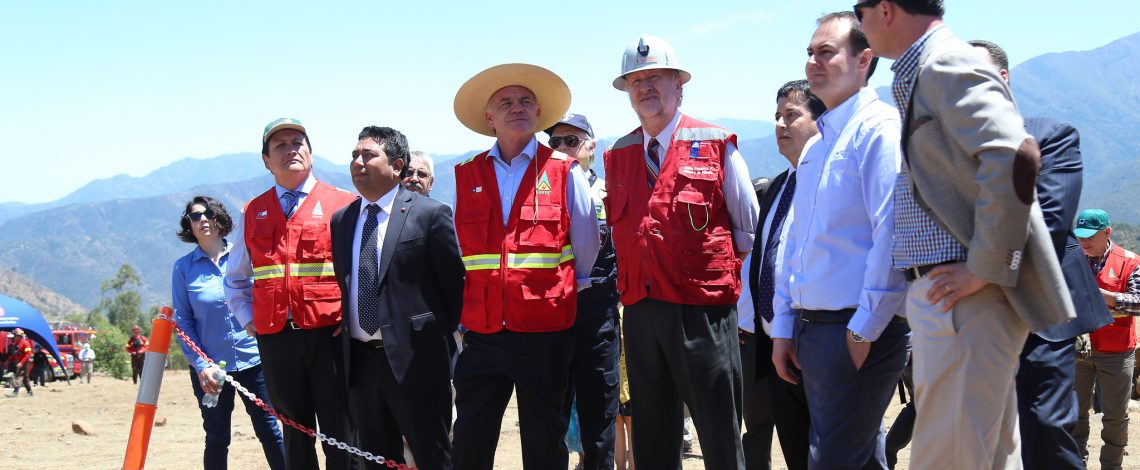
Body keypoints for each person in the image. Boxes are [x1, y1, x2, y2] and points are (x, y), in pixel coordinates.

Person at [857, 1, 1077, 467]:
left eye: (860, 11)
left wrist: (985, 266)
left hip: (961, 301)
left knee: (948, 458)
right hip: (958, 301)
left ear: (885, 9)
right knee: (988, 457)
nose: (859, 25)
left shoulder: (945, 62)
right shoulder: (926, 67)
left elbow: (1015, 153)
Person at [604, 34, 759, 469]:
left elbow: (747, 228)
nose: (645, 87)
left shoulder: (714, 143)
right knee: (652, 437)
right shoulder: (619, 153)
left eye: (656, 77)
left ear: (679, 85)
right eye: (636, 81)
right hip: (641, 312)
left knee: (718, 433)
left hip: (702, 313)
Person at [770, 12, 909, 469]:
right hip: (815, 331)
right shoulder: (818, 144)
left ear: (864, 59)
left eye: (826, 52)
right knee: (857, 458)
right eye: (810, 53)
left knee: (832, 459)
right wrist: (787, 326)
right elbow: (798, 245)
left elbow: (891, 235)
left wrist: (862, 329)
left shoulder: (879, 129)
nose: (814, 61)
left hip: (857, 328)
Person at [969, 39, 1114, 469]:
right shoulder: (947, 150)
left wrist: (980, 271)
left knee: (1044, 429)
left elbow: (1050, 223)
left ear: (1003, 77)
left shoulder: (1051, 135)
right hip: (974, 311)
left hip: (1042, 308)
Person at [449, 62, 600, 469]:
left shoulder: (564, 171)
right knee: (468, 442)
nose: (517, 108)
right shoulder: (467, 175)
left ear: (539, 114)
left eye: (526, 102)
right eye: (506, 102)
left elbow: (586, 248)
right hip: (481, 335)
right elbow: (463, 253)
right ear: (489, 117)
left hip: (545, 334)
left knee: (544, 444)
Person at [224, 117, 357, 469]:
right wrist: (248, 319)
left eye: (298, 142)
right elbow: (235, 277)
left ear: (311, 153)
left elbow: (363, 272)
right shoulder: (253, 211)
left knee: (340, 432)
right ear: (266, 160)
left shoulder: (344, 203)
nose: (291, 149)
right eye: (280, 145)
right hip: (277, 341)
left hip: (330, 337)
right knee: (294, 435)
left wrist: (355, 318)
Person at [330, 126, 464, 469]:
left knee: (432, 454)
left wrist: (429, 335)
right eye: (354, 156)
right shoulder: (343, 220)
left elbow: (453, 288)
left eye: (369, 155)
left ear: (397, 165)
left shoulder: (429, 214)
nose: (358, 162)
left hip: (416, 359)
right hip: (361, 364)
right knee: (375, 457)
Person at [172, 195, 287, 470]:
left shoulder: (244, 256)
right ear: (189, 225)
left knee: (270, 430)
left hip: (254, 361)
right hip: (211, 369)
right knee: (216, 437)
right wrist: (201, 365)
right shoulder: (183, 269)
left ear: (220, 219)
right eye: (195, 216)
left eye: (208, 214)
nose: (203, 220)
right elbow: (183, 321)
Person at [748, 79, 824, 470]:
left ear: (821, 119)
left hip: (822, 342)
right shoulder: (779, 185)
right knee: (796, 453)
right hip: (778, 348)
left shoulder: (832, 180)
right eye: (777, 116)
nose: (780, 124)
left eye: (791, 115)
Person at [546, 112, 621, 470]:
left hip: (598, 318)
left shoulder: (613, 191)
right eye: (554, 142)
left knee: (600, 421)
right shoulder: (536, 194)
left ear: (592, 146)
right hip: (550, 319)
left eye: (570, 141)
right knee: (548, 421)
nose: (561, 149)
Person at [1071, 209, 1139, 469]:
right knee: (1075, 415)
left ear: (1107, 233)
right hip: (1079, 351)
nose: (1084, 242)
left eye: (1090, 236)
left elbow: (1139, 301)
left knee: (1115, 418)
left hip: (1117, 351)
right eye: (1080, 236)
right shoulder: (1072, 259)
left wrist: (1103, 296)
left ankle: (1112, 465)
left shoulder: (1130, 262)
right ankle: (1075, 463)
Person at [615, 309, 634, 470]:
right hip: (631, 382)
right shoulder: (629, 311)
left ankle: (621, 468)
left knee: (618, 428)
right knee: (631, 428)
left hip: (616, 382)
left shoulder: (615, 312)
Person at [9, 328, 32, 396]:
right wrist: (9, 360)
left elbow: (28, 354)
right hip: (19, 362)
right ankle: (30, 391)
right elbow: (15, 354)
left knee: (19, 376)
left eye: (15, 335)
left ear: (19, 335)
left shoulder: (25, 343)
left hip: (25, 363)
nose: (14, 337)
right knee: (25, 378)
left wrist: (21, 363)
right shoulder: (16, 343)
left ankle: (15, 391)